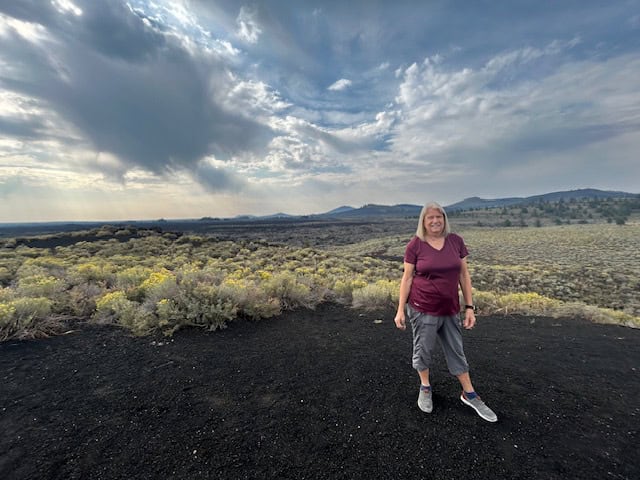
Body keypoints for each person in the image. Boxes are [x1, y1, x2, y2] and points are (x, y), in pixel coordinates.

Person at [394, 202, 497, 422]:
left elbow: (464, 276)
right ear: (423, 221)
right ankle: (425, 387)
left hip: (450, 309)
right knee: (423, 350)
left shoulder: (455, 241)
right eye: (430, 217)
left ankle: (469, 394)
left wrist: (469, 307)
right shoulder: (415, 245)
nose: (435, 221)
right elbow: (408, 278)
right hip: (422, 309)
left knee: (456, 351)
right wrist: (400, 309)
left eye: (438, 217)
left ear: (444, 219)